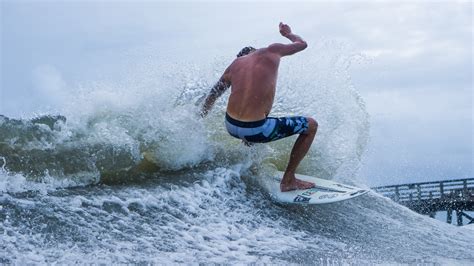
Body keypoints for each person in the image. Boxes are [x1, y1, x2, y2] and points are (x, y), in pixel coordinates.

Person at [200, 22, 318, 192]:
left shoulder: (234, 65)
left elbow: (213, 95)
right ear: (253, 51)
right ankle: (288, 180)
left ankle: (249, 167)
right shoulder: (270, 50)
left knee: (253, 121)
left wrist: (199, 117)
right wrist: (288, 34)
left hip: (231, 127)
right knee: (311, 125)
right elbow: (302, 44)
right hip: (255, 129)